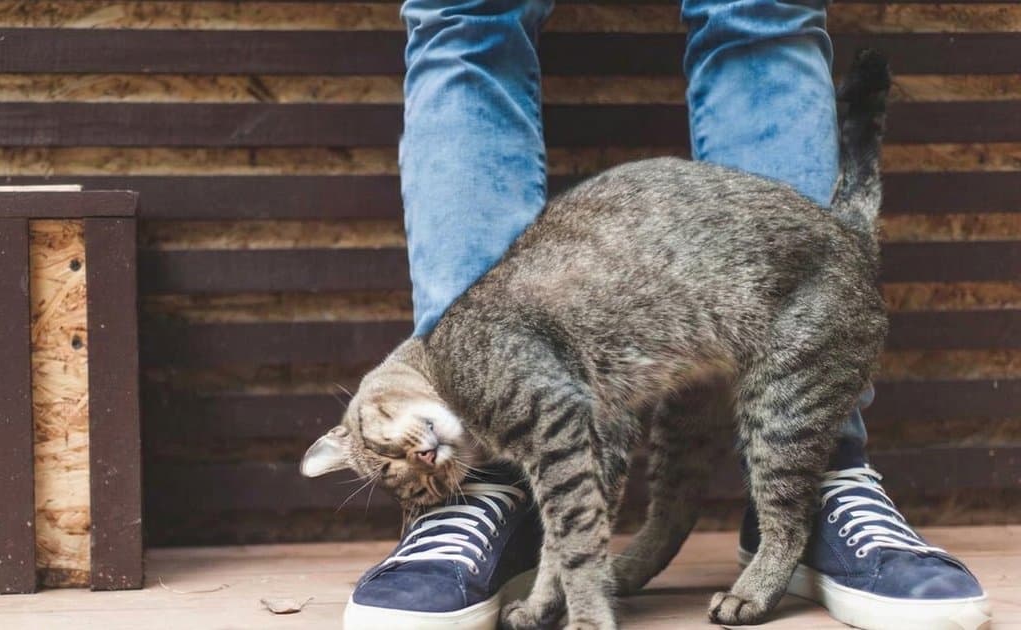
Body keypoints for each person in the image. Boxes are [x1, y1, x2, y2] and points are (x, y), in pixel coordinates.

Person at [341, 1, 991, 629]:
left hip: (782, 287)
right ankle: (496, 498)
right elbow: (592, 437)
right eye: (425, 482)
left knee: (758, 6)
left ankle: (816, 484)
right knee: (468, 10)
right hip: (663, 318)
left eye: (401, 461)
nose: (420, 459)